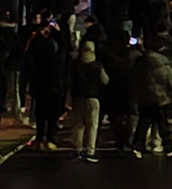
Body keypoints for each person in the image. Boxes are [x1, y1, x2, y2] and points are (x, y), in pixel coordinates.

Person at [131, 45, 172, 159]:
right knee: (162, 124)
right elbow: (171, 85)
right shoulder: (164, 67)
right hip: (160, 99)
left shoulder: (140, 64)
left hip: (143, 98)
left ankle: (137, 147)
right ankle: (168, 147)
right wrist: (171, 98)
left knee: (143, 123)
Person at [24, 20, 62, 151]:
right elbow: (64, 47)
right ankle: (50, 139)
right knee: (52, 114)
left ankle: (40, 138)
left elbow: (29, 56)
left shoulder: (37, 49)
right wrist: (57, 32)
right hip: (53, 85)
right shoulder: (56, 52)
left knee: (41, 113)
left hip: (40, 84)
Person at [70, 38, 109, 163]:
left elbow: (69, 81)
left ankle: (78, 148)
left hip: (78, 97)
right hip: (93, 97)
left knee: (78, 124)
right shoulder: (97, 65)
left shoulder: (76, 64)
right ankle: (90, 150)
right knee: (92, 125)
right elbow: (105, 80)